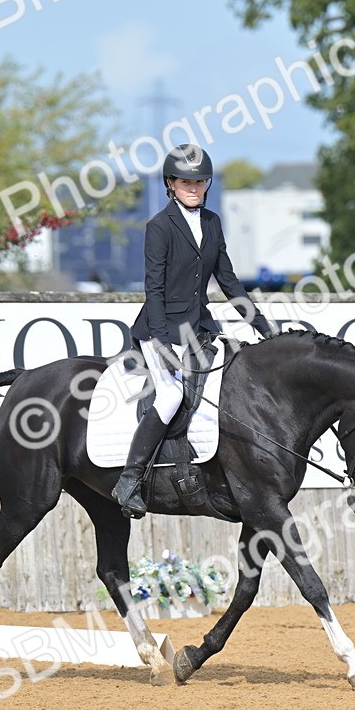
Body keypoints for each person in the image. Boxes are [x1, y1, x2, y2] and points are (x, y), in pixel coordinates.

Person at [112, 143, 278, 518]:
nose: (193, 187)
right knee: (171, 395)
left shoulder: (212, 222)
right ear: (170, 184)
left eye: (200, 181)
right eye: (185, 181)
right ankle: (130, 479)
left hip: (200, 326)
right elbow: (154, 290)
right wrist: (161, 343)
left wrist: (262, 326)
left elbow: (229, 281)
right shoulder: (159, 227)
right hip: (159, 330)